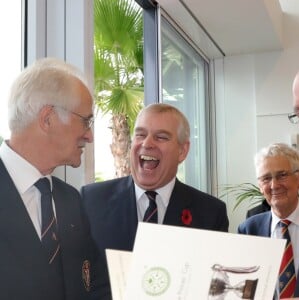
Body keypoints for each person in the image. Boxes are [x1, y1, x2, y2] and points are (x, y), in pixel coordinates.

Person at [81, 103, 229, 299]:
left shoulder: (211, 213)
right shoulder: (91, 200)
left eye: (161, 137)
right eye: (140, 134)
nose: (147, 143)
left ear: (182, 151)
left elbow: (215, 290)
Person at [0, 57, 102, 300]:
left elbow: (95, 285)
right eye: (86, 121)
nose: (89, 136)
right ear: (48, 118)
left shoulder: (71, 201)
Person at [238, 143, 299, 298]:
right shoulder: (248, 230)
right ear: (260, 186)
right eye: (266, 178)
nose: (274, 185)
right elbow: (244, 291)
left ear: (298, 178)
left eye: (282, 175)